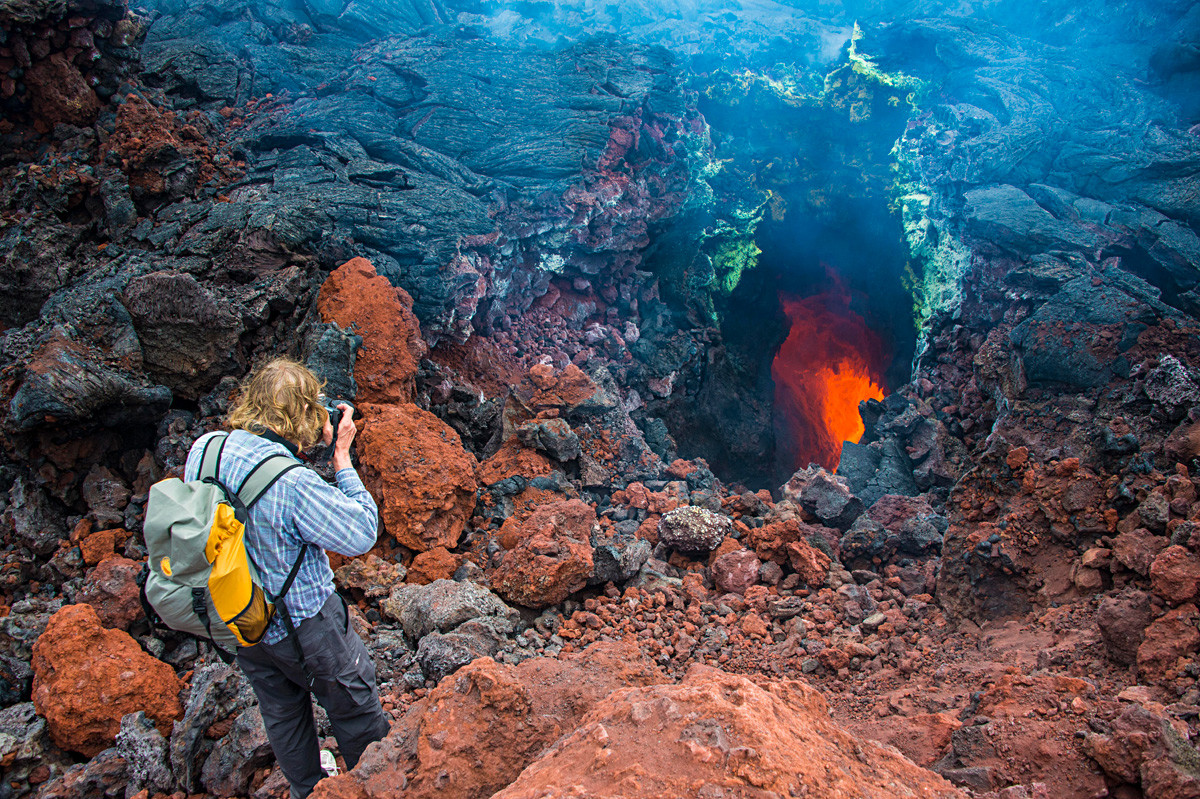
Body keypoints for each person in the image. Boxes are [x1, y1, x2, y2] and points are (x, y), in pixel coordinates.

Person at [184, 357, 390, 798]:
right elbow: (360, 533)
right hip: (306, 626)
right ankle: (377, 788)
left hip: (241, 615)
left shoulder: (205, 448)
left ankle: (308, 791)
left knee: (281, 711)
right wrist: (342, 460)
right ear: (303, 414)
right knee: (355, 706)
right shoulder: (292, 482)